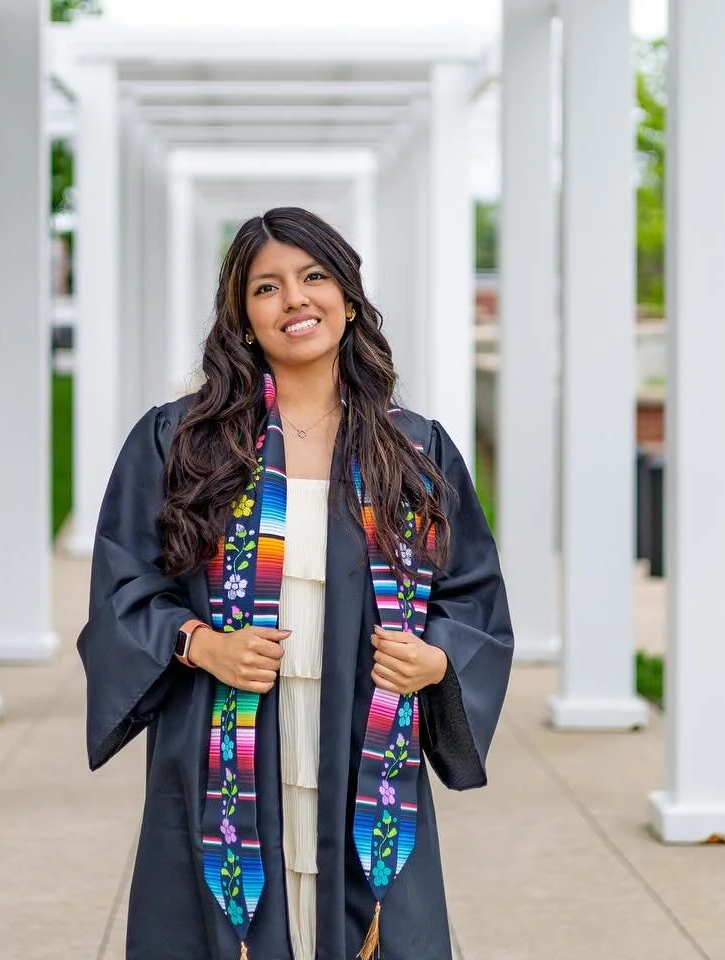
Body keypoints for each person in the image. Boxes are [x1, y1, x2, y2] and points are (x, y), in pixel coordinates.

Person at [77, 206, 514, 960]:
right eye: (267, 287)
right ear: (243, 316)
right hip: (226, 741)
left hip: (362, 736)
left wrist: (439, 659)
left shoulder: (413, 450)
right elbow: (123, 586)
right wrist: (200, 644)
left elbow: (471, 592)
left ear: (347, 296)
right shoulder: (181, 442)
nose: (295, 300)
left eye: (314, 277)